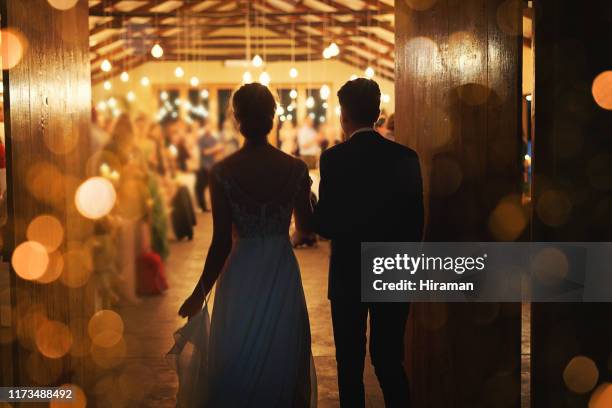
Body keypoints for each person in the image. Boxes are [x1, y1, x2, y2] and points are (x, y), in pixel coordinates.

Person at [175, 83, 316, 406]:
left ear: (236, 118)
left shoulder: (222, 172)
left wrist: (199, 294)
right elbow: (307, 229)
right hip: (281, 270)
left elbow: (221, 242)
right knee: (280, 354)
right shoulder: (295, 169)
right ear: (273, 117)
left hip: (240, 272)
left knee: (236, 354)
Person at [315, 78, 424, 408]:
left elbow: (326, 226)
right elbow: (415, 222)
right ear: (378, 113)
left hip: (347, 272)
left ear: (343, 115)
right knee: (389, 360)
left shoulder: (333, 159)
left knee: (349, 365)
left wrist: (310, 204)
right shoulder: (406, 157)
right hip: (393, 268)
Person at [194, 118, 223, 211]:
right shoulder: (201, 139)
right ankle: (203, 206)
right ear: (204, 127)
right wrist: (215, 149)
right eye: (207, 125)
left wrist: (218, 150)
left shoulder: (214, 138)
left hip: (212, 165)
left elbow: (217, 153)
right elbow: (204, 152)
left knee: (212, 188)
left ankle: (212, 206)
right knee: (202, 188)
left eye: (210, 125)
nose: (208, 128)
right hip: (204, 166)